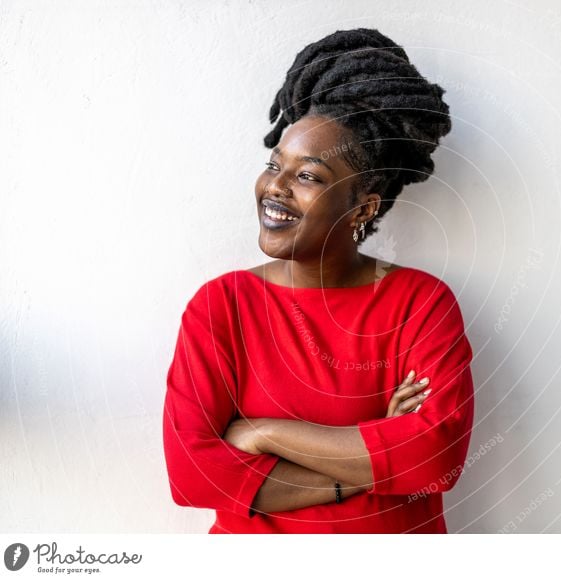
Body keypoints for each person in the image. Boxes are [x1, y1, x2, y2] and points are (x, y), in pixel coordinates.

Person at [162, 28, 475, 533]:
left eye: (307, 176)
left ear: (364, 207)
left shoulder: (421, 304)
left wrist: (264, 434)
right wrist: (375, 451)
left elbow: (436, 460)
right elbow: (193, 475)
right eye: (273, 166)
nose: (275, 189)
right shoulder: (221, 307)